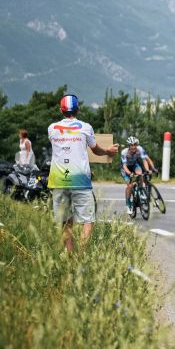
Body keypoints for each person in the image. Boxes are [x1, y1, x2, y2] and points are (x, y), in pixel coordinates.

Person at [48, 94, 119, 252]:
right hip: (80, 180)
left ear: (61, 110)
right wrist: (108, 151)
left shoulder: (52, 129)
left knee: (65, 221)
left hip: (58, 180)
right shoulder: (86, 127)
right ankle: (81, 255)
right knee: (88, 220)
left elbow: (64, 149)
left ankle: (71, 256)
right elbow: (96, 150)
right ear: (78, 109)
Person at [120, 136, 156, 210]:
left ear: (137, 145)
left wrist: (147, 170)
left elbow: (144, 161)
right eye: (131, 145)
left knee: (140, 174)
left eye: (135, 145)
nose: (133, 147)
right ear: (129, 146)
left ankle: (141, 191)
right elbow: (124, 166)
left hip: (134, 165)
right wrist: (130, 174)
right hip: (125, 168)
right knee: (129, 185)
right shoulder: (124, 152)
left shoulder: (140, 149)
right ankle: (128, 203)